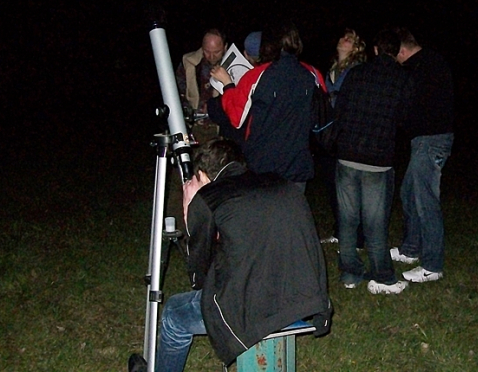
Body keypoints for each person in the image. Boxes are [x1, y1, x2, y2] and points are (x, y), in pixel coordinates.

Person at [128, 138, 332, 372]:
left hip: (257, 308)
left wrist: (189, 213)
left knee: (174, 313)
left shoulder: (209, 197)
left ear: (203, 176)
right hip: (306, 298)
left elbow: (198, 278)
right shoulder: (281, 183)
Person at [333, 29, 412, 295]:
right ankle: (382, 277)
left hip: (347, 157)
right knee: (375, 223)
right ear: (396, 52)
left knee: (347, 219)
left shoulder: (356, 74)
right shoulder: (402, 78)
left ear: (376, 49)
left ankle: (350, 273)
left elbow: (339, 111)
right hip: (377, 161)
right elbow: (404, 119)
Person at [215, 20, 325, 191]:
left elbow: (236, 118)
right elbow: (319, 114)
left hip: (262, 165)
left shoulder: (256, 76)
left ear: (267, 45)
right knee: (293, 217)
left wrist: (228, 84)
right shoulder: (313, 73)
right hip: (296, 165)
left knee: (264, 216)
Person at [389, 27, 455, 284]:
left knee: (425, 201)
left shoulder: (421, 66)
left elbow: (411, 105)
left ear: (403, 51)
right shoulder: (429, 62)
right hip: (426, 140)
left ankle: (432, 265)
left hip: (431, 141)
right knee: (409, 193)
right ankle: (410, 249)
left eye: (397, 56)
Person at [316, 29, 367, 245]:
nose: (342, 40)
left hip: (349, 135)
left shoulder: (358, 71)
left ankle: (358, 237)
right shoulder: (332, 71)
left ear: (356, 49)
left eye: (349, 40)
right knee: (333, 183)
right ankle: (341, 230)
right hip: (330, 135)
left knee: (351, 187)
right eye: (342, 36)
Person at [174, 29, 228, 143]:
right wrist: (189, 110)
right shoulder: (188, 63)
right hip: (193, 129)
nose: (212, 56)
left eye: (216, 52)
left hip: (221, 130)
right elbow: (177, 93)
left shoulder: (233, 66)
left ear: (225, 47)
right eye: (207, 51)